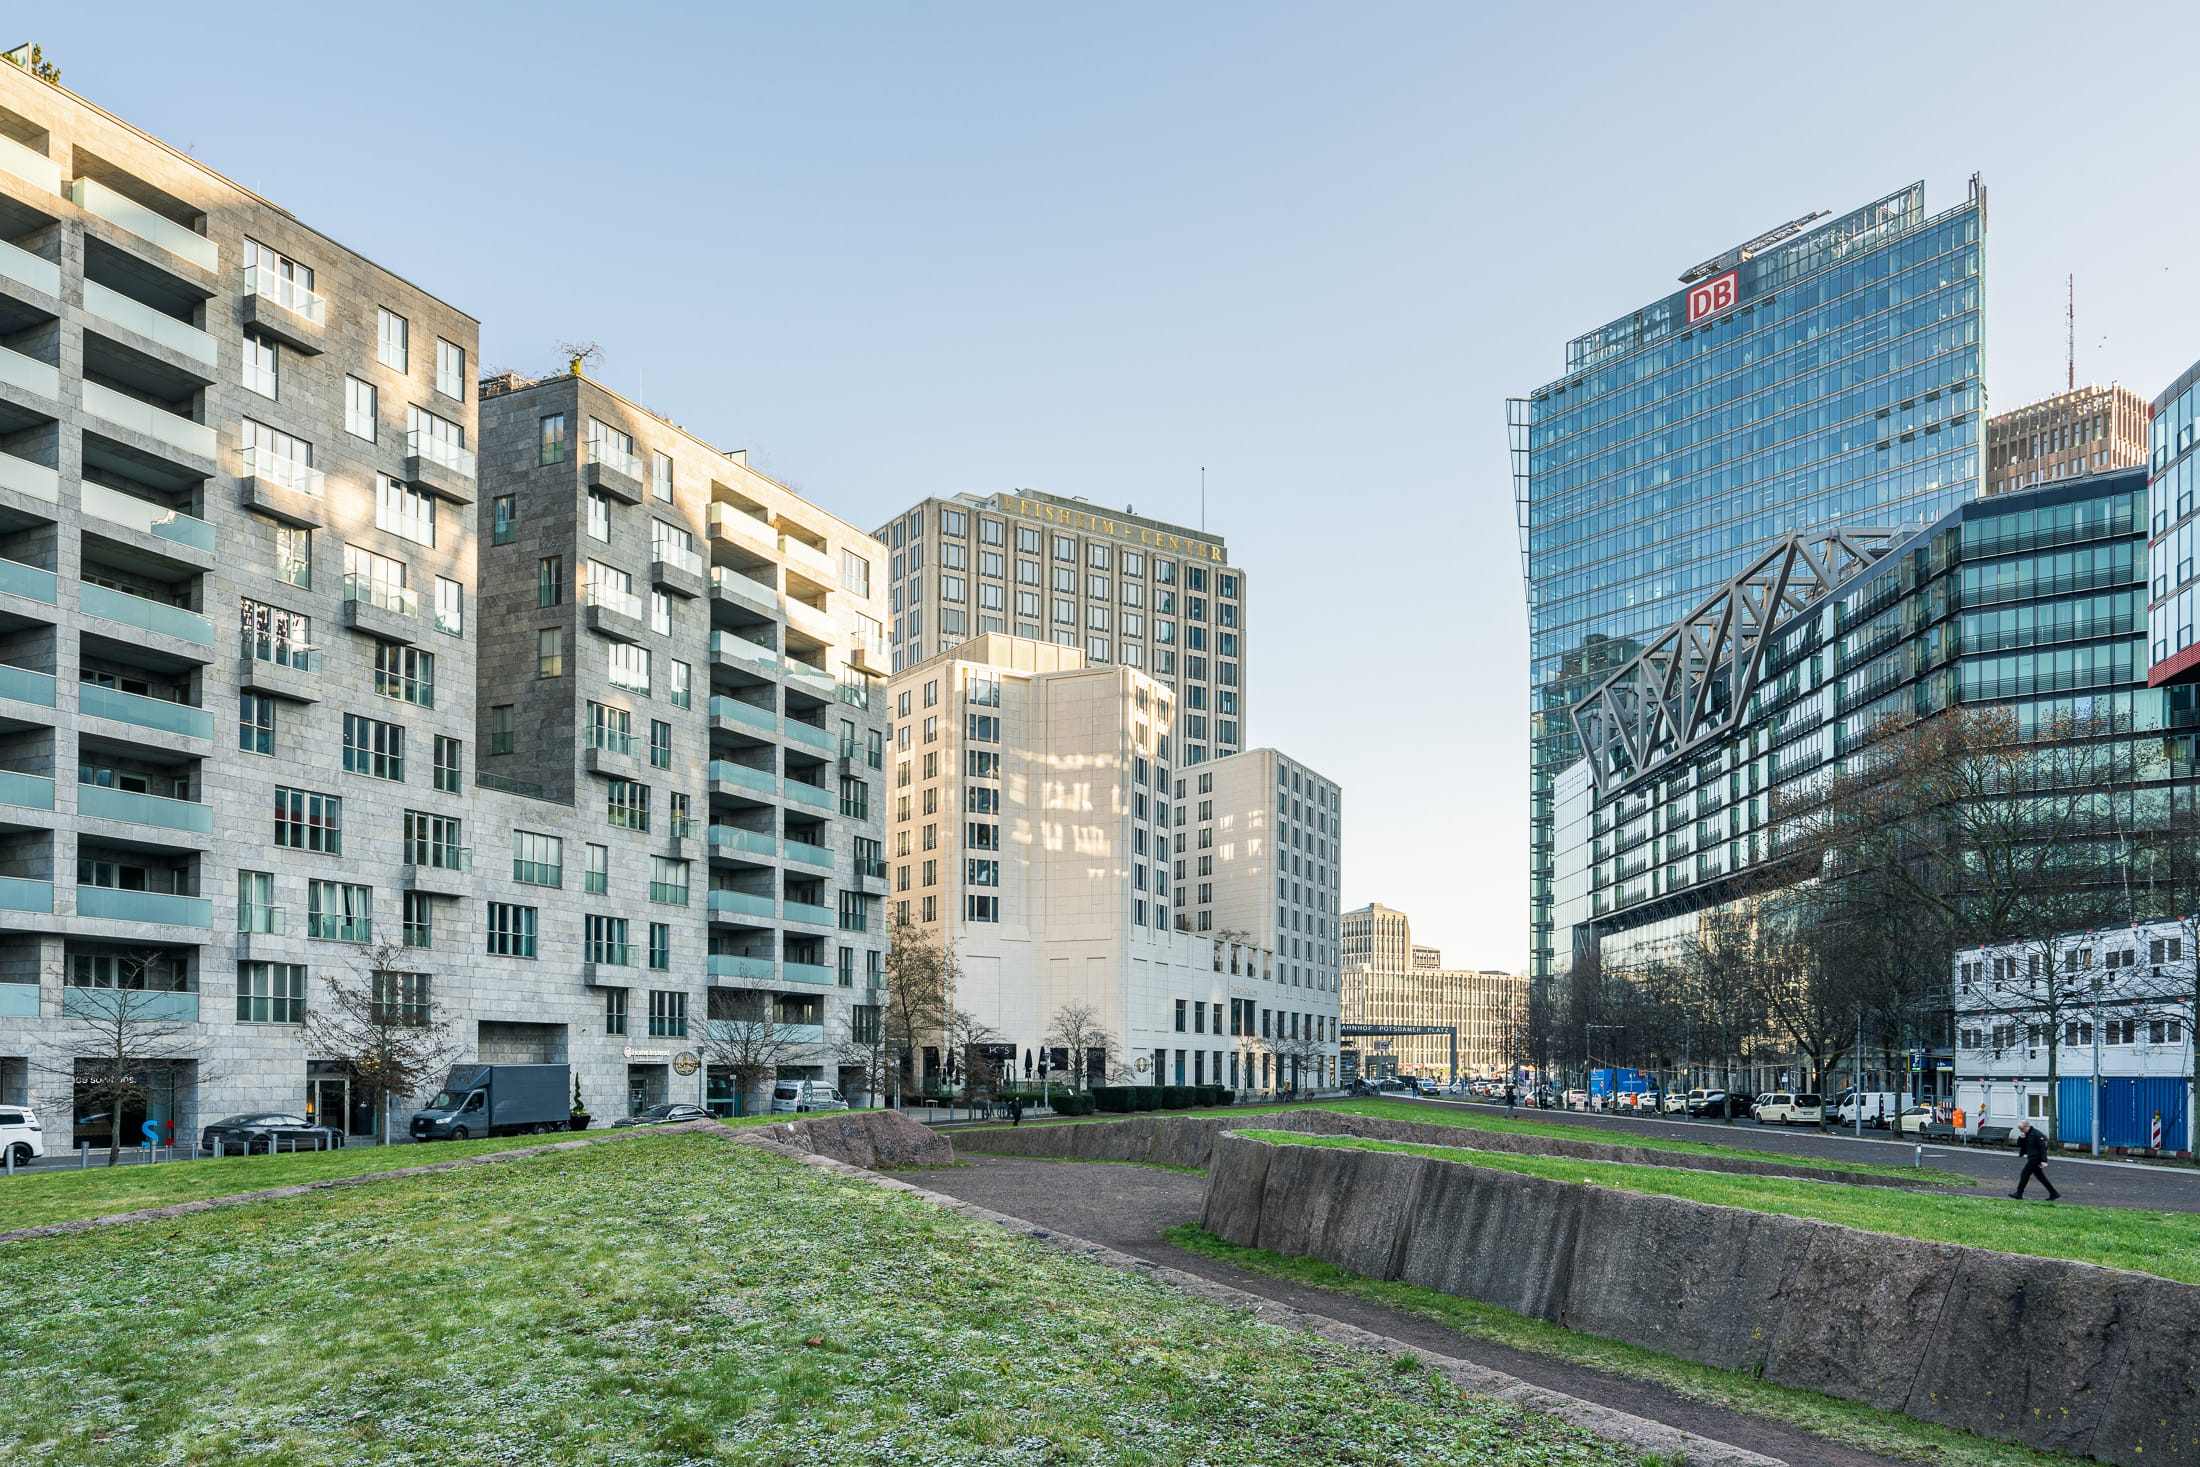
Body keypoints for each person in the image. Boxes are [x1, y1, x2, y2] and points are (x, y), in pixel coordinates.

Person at [2011, 1119, 2060, 1200]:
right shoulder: (2026, 1134)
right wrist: (2021, 1138)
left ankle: (2019, 1193)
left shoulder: (2037, 1134)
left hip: (2035, 1159)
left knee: (2024, 1175)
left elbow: (2042, 1148)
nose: (2021, 1131)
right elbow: (2020, 1144)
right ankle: (2053, 1193)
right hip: (2032, 1158)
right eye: (2020, 1129)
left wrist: (2044, 1160)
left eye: (2022, 1129)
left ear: (2027, 1126)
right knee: (2041, 1177)